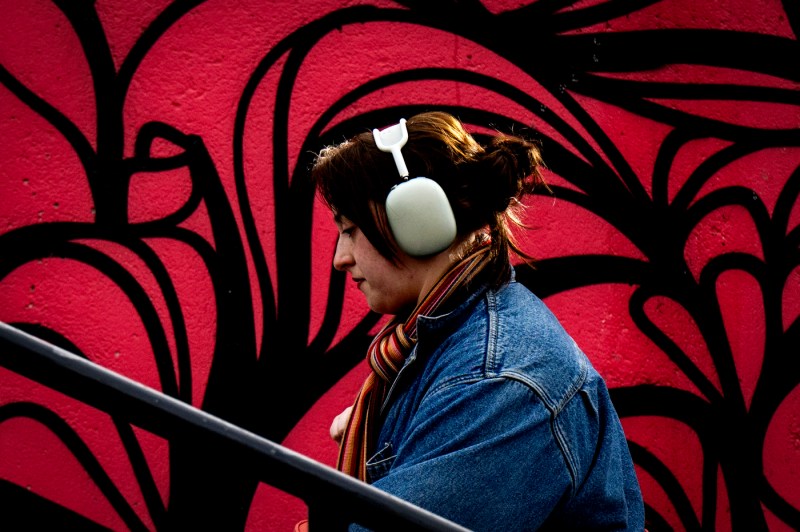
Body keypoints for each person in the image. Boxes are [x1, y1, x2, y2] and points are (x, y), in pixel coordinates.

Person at [311, 111, 645, 530]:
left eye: (351, 229)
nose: (341, 258)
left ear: (415, 218)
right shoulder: (439, 344)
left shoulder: (499, 384)